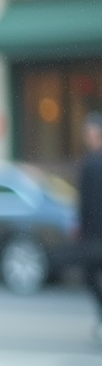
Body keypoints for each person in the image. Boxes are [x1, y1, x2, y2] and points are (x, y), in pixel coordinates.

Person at [80, 112, 102, 340]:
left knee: (91, 275)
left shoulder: (90, 163)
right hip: (94, 234)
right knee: (90, 275)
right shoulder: (88, 162)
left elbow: (85, 203)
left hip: (95, 234)